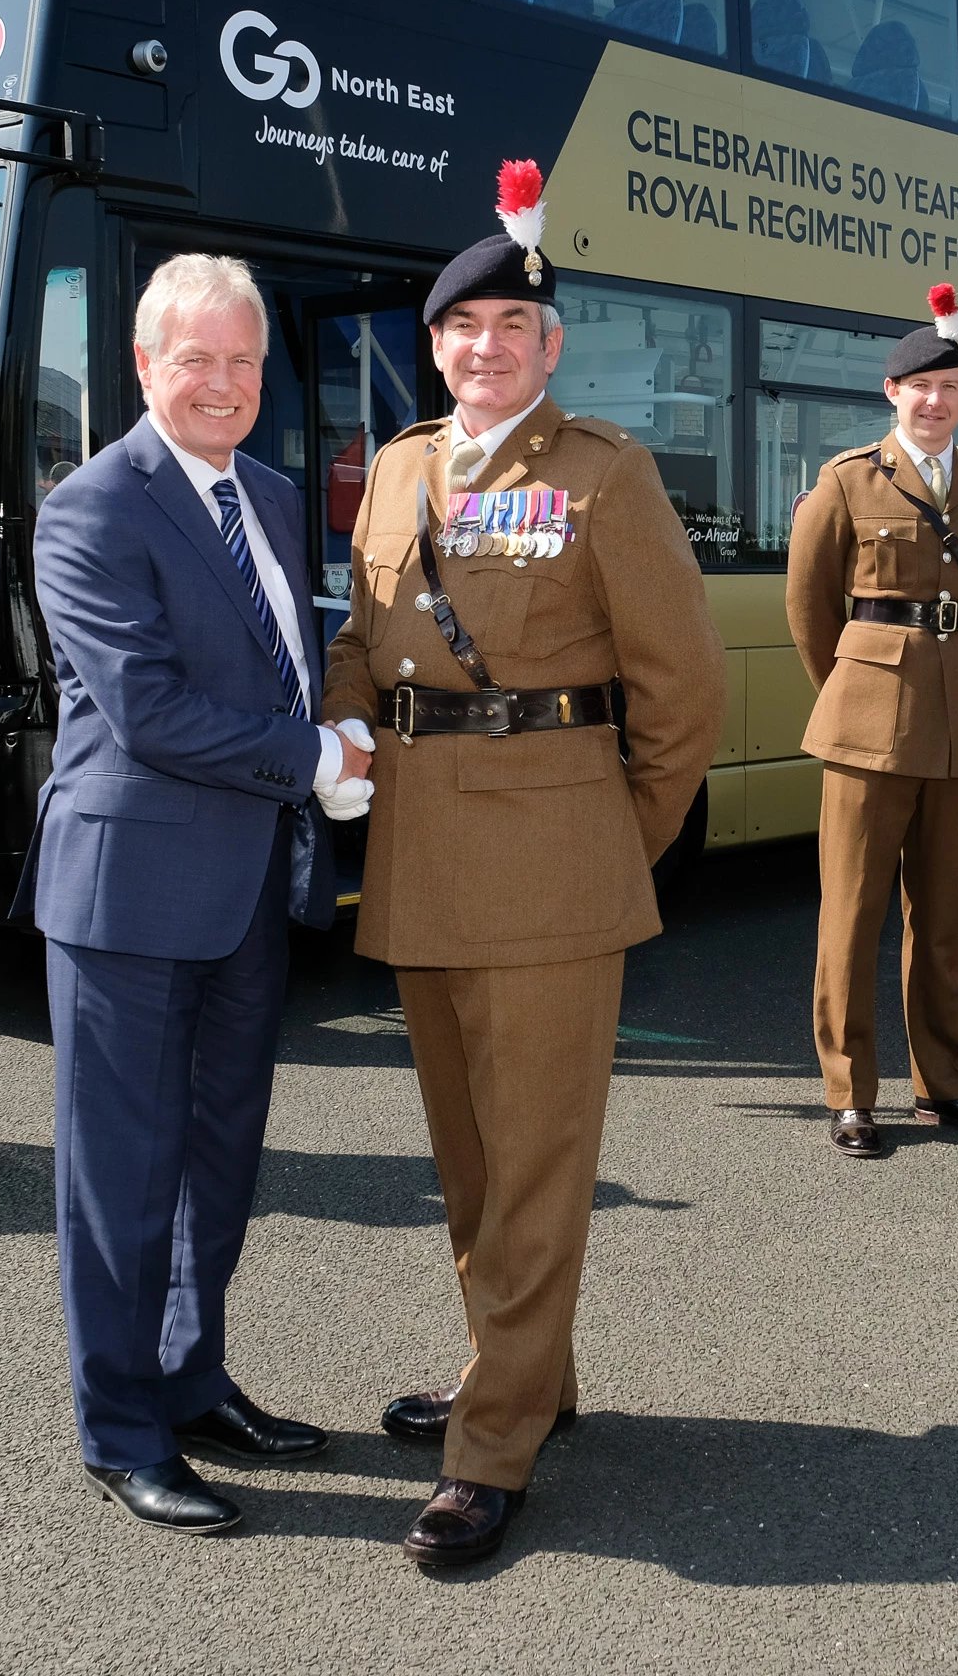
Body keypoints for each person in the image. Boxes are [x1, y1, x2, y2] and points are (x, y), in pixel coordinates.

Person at [322, 159, 724, 1570]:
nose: (483, 349)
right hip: (425, 851)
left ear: (550, 348)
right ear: (432, 348)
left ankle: (490, 1444)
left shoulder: (603, 475)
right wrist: (335, 730)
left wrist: (622, 839)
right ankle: (523, 1371)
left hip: (557, 856)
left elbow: (683, 692)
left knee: (543, 1160)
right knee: (472, 1158)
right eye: (460, 332)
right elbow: (365, 649)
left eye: (511, 330)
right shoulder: (401, 470)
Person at [15, 254, 366, 1535]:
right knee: (121, 1171)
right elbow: (152, 710)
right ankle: (118, 1427)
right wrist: (317, 759)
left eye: (241, 360)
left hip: (248, 885)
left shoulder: (269, 495)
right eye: (194, 360)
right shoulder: (92, 508)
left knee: (219, 1158)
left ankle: (191, 1373)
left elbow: (283, 662)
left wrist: (330, 738)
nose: (221, 382)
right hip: (129, 892)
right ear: (145, 366)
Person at [785, 283, 958, 1158]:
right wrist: (849, 694)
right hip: (867, 722)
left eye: (949, 386)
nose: (934, 400)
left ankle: (948, 1087)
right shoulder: (847, 480)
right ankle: (850, 1094)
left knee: (945, 919)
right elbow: (810, 607)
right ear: (893, 394)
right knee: (850, 915)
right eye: (918, 386)